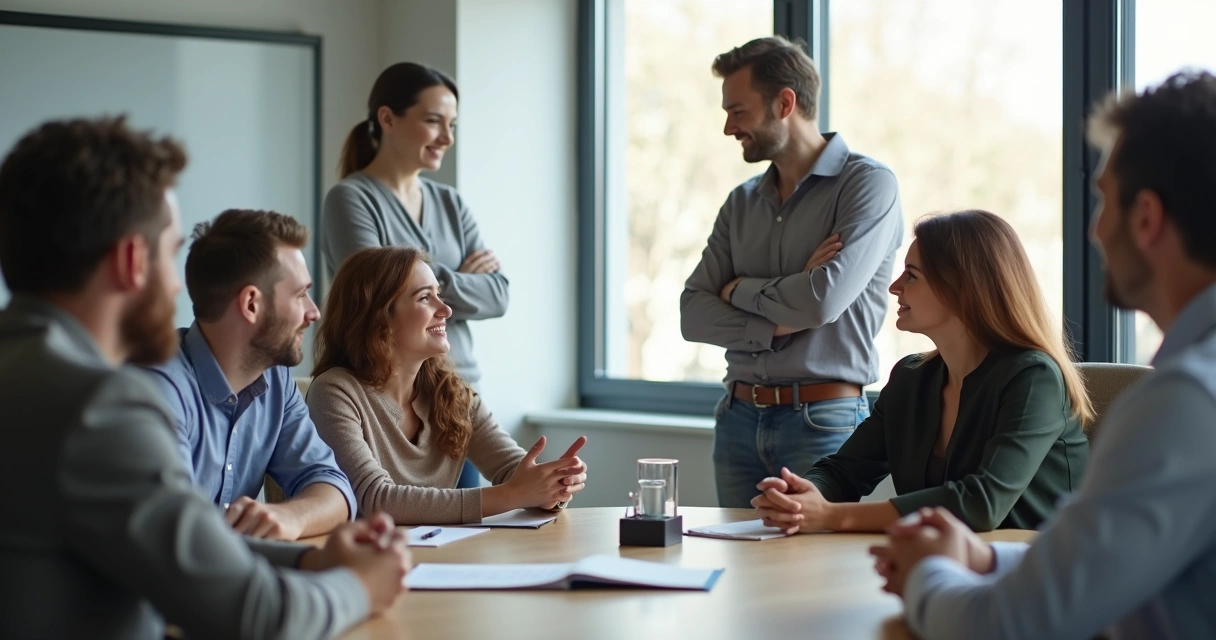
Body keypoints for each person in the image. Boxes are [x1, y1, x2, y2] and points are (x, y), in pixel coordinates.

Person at [0, 116, 410, 640]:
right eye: (170, 254)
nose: (179, 285)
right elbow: (255, 616)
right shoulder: (98, 407)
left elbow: (174, 552)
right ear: (131, 261)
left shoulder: (27, 373)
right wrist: (360, 587)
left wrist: (308, 564)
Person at [870, 70, 1216, 639]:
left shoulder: (1184, 402)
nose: (1096, 230)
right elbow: (1111, 564)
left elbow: (1008, 625)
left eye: (1104, 201)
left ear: (1148, 218)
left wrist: (925, 573)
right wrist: (982, 559)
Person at [751, 210, 1091, 534]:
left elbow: (982, 503)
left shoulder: (1034, 378)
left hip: (1040, 578)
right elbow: (844, 472)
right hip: (946, 568)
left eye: (911, 275)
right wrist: (802, 496)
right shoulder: (911, 378)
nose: (894, 286)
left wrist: (830, 515)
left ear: (962, 289)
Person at [679, 36, 904, 508]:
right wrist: (783, 309)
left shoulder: (868, 185)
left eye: (738, 111)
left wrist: (738, 289)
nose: (727, 128)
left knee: (816, 578)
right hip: (736, 417)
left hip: (824, 419)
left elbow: (821, 302)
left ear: (785, 103)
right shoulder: (740, 203)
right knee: (738, 575)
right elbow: (692, 314)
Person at [321, 62, 506, 491]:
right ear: (387, 119)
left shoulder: (450, 203)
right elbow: (379, 294)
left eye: (452, 124)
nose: (448, 138)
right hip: (387, 401)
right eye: (433, 121)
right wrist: (459, 276)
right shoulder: (350, 198)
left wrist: (426, 287)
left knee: (467, 543)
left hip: (453, 400)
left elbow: (499, 293)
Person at [307, 246, 587, 524]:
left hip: (436, 559)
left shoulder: (453, 393)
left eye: (439, 294)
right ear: (379, 317)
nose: (446, 310)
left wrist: (555, 486)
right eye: (425, 298)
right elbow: (375, 499)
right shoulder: (334, 392)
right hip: (361, 563)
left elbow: (515, 472)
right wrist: (513, 495)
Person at [144, 209, 356, 541]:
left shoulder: (276, 381)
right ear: (251, 304)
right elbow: (178, 540)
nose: (313, 312)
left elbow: (333, 486)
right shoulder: (157, 390)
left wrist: (289, 518)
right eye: (300, 294)